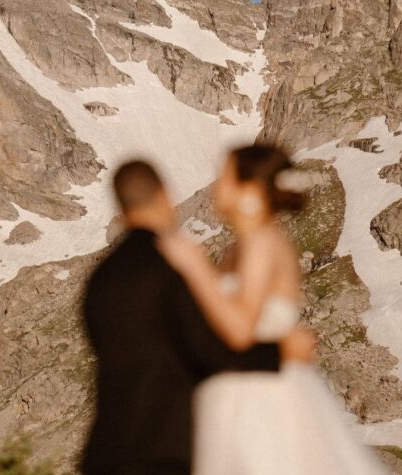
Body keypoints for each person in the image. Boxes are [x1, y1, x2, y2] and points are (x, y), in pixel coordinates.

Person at [157, 144, 386, 475]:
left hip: (259, 393)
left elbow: (241, 327)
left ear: (250, 190)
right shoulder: (238, 249)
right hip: (232, 383)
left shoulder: (262, 243)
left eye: (226, 177)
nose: (217, 185)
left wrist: (195, 270)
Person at [80, 160, 285, 475]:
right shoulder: (171, 265)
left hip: (106, 453)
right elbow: (207, 349)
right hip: (165, 451)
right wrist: (279, 353)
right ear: (164, 195)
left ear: (122, 206)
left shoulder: (99, 279)